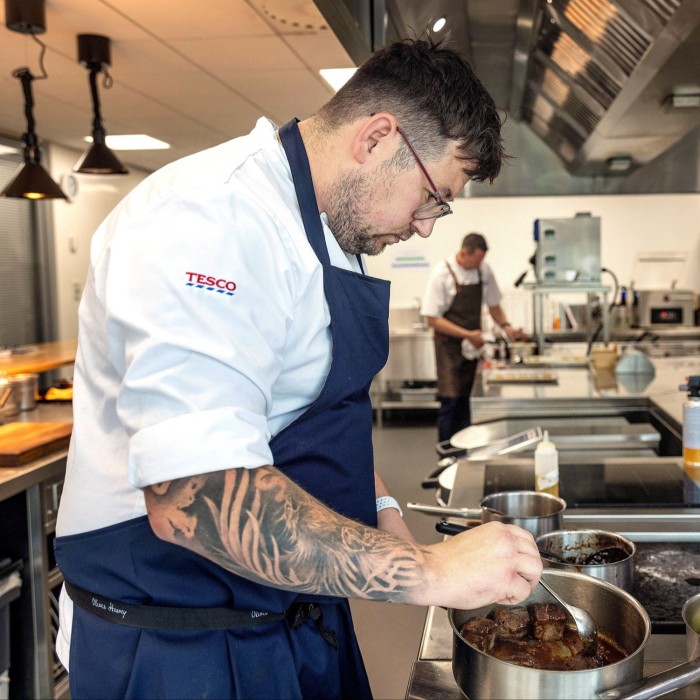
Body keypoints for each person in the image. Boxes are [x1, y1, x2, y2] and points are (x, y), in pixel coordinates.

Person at [54, 37, 542, 699]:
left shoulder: (327, 229)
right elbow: (192, 501)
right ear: (376, 140)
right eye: (433, 198)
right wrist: (427, 571)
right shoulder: (208, 221)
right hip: (181, 644)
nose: (427, 228)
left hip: (292, 615)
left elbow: (303, 409)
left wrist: (380, 503)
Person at [422, 233, 528, 442]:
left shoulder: (483, 270)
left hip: (473, 347)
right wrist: (467, 334)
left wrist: (506, 327)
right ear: (463, 253)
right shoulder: (442, 274)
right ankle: (445, 456)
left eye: (482, 261)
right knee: (451, 402)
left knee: (467, 403)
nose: (479, 265)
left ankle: (464, 455)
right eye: (476, 260)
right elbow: (432, 319)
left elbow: (494, 305)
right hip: (448, 348)